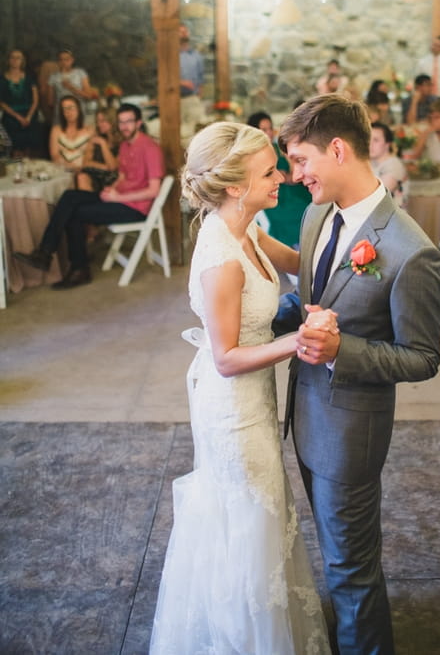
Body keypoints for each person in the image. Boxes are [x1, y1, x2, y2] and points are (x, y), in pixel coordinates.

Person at [149, 122, 331, 655]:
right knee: (252, 517)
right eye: (268, 171)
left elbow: (298, 262)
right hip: (232, 407)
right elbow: (226, 358)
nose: (281, 177)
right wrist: (300, 339)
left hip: (255, 395)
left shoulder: (245, 226)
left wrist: (351, 252)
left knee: (261, 515)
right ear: (234, 186)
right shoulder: (221, 257)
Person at [277, 94, 440, 654]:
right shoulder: (315, 216)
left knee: (351, 571)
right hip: (304, 418)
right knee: (332, 556)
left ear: (339, 149)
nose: (296, 177)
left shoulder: (409, 251)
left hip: (350, 436)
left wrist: (341, 350)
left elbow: (422, 357)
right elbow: (308, 298)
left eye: (301, 160)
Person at [14, 103, 164, 288]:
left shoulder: (150, 148)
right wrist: (112, 189)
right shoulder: (125, 145)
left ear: (139, 123)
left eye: (129, 122)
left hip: (135, 208)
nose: (124, 126)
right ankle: (45, 253)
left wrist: (117, 197)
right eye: (121, 122)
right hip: (118, 197)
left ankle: (79, 269)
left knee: (75, 213)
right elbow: (123, 176)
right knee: (70, 196)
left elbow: (154, 190)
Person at [247, 110, 311, 248]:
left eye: (270, 128)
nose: (269, 132)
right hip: (273, 197)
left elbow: (294, 173)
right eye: (264, 129)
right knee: (284, 217)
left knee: (308, 207)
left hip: (290, 192)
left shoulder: (279, 148)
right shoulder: (250, 155)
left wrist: (285, 177)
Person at [0, 48, 43, 156]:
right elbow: (1, 102)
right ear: (8, 60)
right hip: (11, 118)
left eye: (18, 58)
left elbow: (35, 100)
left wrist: (28, 117)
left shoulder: (30, 77)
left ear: (22, 61)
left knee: (28, 150)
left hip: (30, 117)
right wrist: (18, 117)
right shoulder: (1, 78)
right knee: (14, 150)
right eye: (12, 57)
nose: (15, 60)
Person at [46, 48, 97, 124]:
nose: (63, 62)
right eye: (61, 60)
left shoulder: (80, 73)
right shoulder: (53, 77)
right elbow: (50, 102)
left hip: (79, 114)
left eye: (66, 59)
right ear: (58, 62)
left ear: (72, 60)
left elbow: (89, 96)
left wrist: (71, 88)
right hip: (61, 115)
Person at [76, 107, 119, 193]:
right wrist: (105, 167)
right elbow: (85, 163)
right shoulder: (95, 139)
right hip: (95, 176)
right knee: (82, 176)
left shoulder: (122, 142)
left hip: (113, 180)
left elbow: (113, 166)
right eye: (98, 121)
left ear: (112, 121)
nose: (99, 124)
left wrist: (103, 144)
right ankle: (87, 205)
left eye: (102, 121)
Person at [49, 95, 93, 172]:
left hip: (83, 171)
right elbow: (54, 155)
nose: (68, 112)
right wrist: (67, 167)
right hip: (62, 170)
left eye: (71, 107)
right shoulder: (56, 130)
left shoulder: (90, 130)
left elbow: (89, 156)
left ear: (78, 109)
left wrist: (80, 169)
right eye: (64, 109)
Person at [369, 120, 408, 207]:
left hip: (390, 218)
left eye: (376, 140)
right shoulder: (368, 162)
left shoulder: (394, 164)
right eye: (368, 139)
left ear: (387, 144)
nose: (370, 144)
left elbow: (378, 195)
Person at [178, 22, 204, 98]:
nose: (184, 33)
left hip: (192, 97)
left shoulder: (196, 55)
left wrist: (199, 97)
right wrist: (181, 82)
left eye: (185, 31)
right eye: (180, 32)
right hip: (174, 98)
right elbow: (165, 80)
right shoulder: (171, 56)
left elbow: (200, 80)